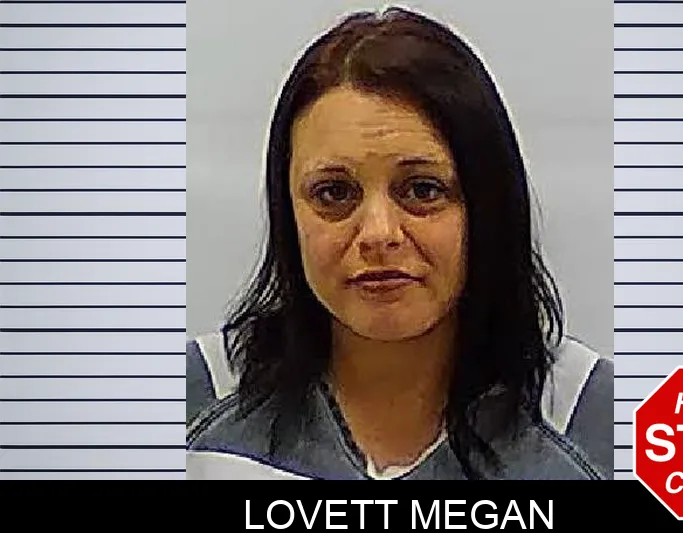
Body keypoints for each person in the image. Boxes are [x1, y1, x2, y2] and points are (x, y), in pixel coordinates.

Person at [186, 6, 613, 480]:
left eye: (423, 190)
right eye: (334, 193)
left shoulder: (612, 427)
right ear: (288, 212)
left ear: (489, 204)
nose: (378, 234)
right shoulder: (189, 402)